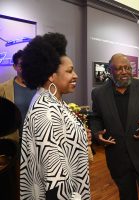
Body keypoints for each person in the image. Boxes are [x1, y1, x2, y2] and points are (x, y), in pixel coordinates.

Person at [20, 32, 91, 200]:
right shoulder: (46, 111)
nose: (76, 76)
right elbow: (55, 181)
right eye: (69, 71)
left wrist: (80, 136)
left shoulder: (54, 102)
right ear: (51, 75)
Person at [91, 53, 139, 200]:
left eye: (127, 68)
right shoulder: (98, 93)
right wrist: (97, 133)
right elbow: (96, 117)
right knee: (126, 195)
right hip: (118, 157)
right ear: (110, 72)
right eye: (119, 69)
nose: (124, 72)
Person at [0, 50, 36, 142]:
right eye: (21, 65)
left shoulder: (39, 87)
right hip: (13, 143)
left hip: (36, 142)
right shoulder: (3, 88)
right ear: (14, 66)